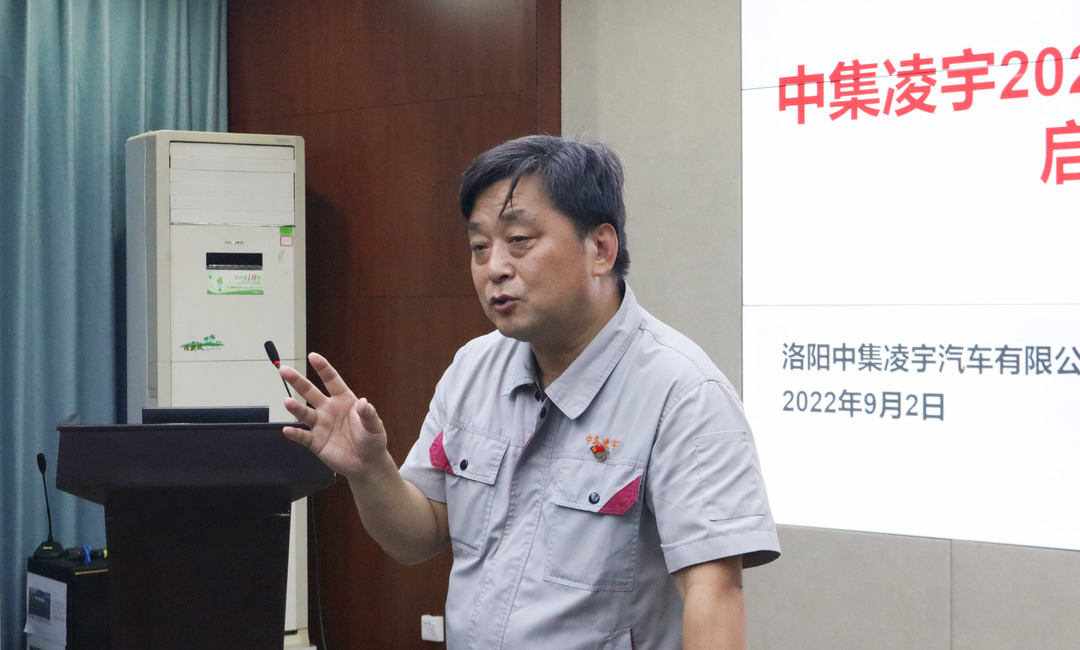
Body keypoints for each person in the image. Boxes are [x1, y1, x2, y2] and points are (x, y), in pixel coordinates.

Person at [279, 135, 780, 649]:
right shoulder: (474, 367)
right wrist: (370, 471)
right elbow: (417, 536)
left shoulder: (684, 392)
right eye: (479, 247)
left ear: (600, 249)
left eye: (518, 239)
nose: (493, 267)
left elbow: (713, 594)